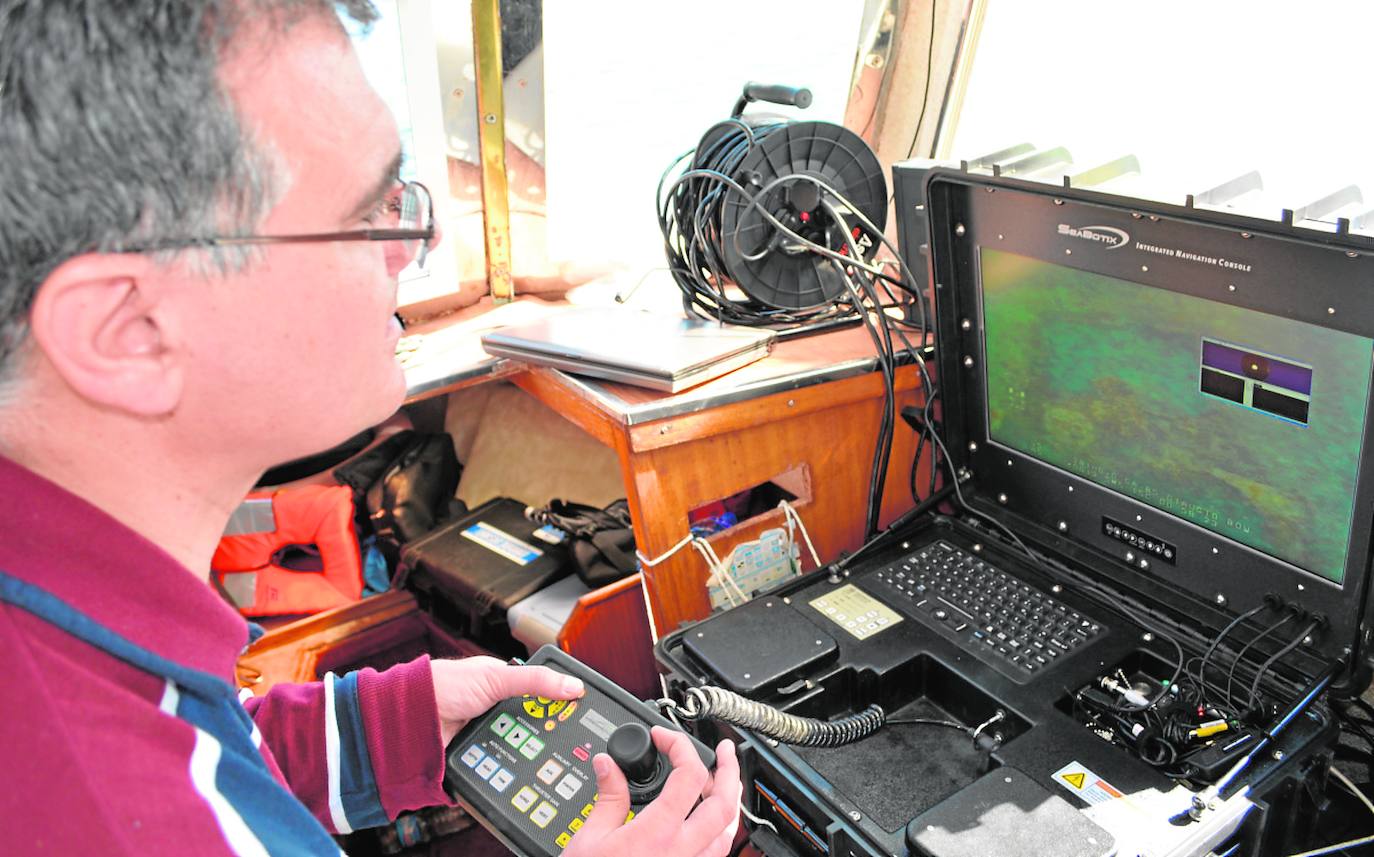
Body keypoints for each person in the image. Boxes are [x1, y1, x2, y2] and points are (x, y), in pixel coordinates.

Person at [0, 1, 741, 854]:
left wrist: (392, 725)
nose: (412, 242)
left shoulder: (78, 631)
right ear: (128, 331)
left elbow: (219, 748)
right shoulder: (111, 811)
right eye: (365, 212)